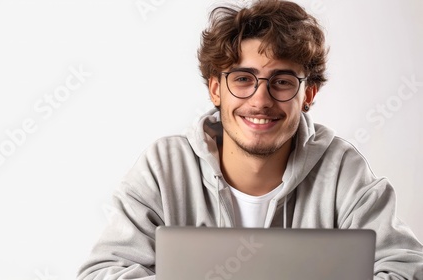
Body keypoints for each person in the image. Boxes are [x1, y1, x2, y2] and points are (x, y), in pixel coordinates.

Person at [77, 0, 423, 279]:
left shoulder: (341, 170)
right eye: (243, 79)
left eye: (282, 81)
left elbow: (406, 268)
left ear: (309, 94)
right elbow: (102, 272)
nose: (260, 100)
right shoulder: (164, 166)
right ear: (216, 88)